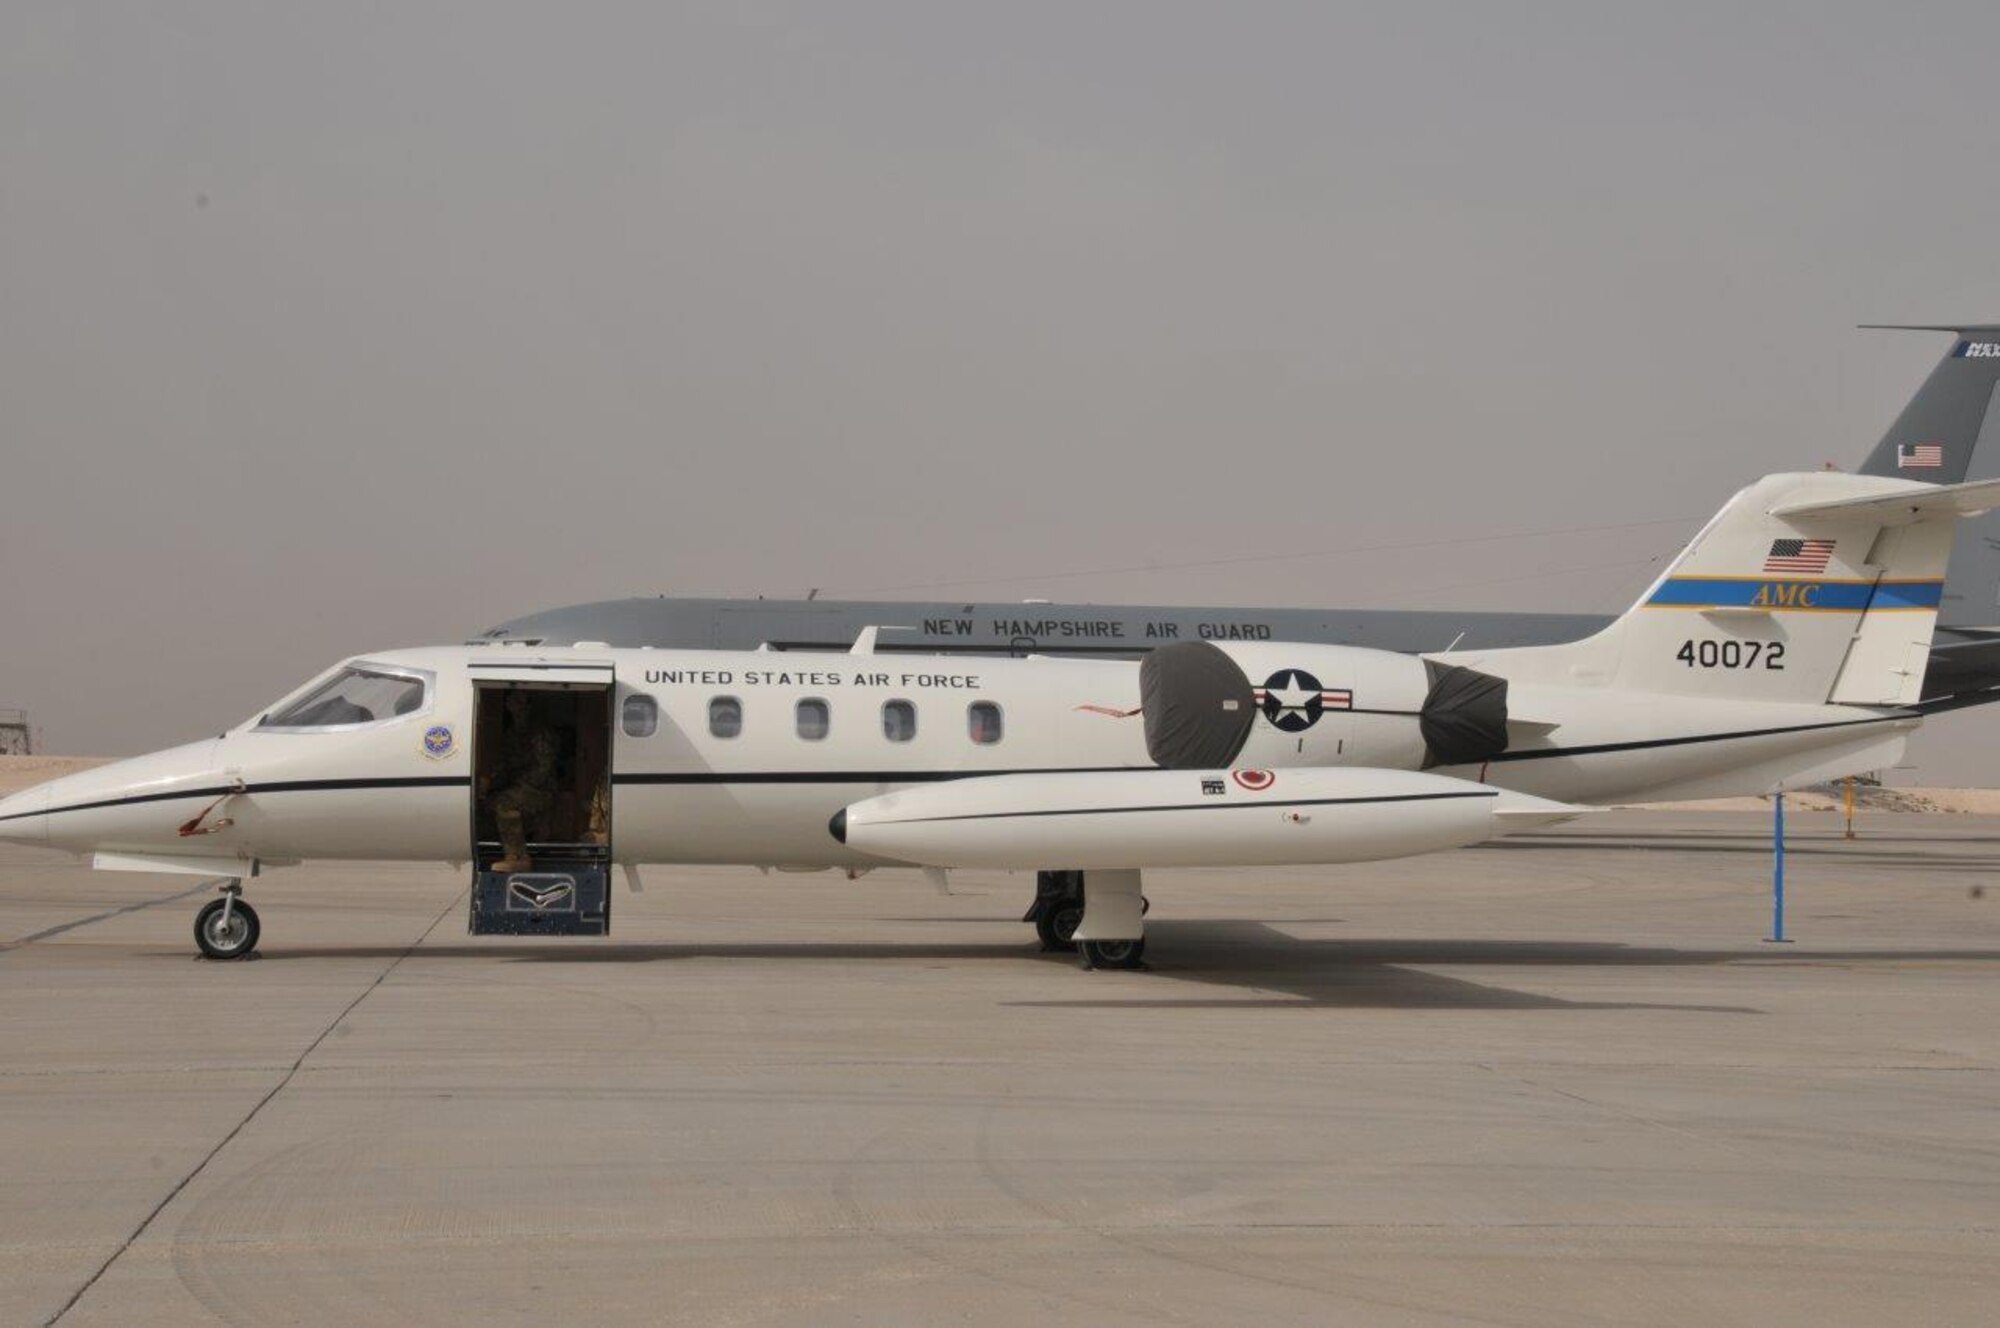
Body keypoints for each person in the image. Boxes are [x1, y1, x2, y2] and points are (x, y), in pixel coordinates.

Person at [489, 691, 557, 872]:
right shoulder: (511, 734)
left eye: (522, 703)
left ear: (529, 707)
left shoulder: (539, 732)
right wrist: (489, 783)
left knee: (505, 802)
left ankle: (518, 857)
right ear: (508, 705)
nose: (518, 707)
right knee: (488, 801)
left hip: (541, 791)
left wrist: (517, 787)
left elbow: (543, 768)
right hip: (521, 788)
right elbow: (503, 768)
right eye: (514, 702)